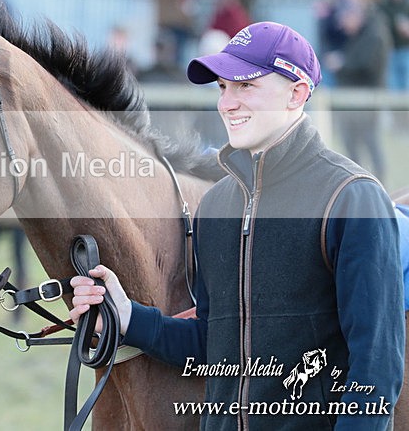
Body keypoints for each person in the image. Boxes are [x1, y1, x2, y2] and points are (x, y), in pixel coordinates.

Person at [69, 22, 404, 429]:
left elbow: (376, 371)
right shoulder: (216, 207)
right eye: (222, 88)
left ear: (296, 93)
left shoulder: (352, 199)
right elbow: (215, 345)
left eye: (246, 87)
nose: (227, 103)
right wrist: (127, 318)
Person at [325, 0, 392, 182]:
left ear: (355, 16)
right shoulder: (361, 34)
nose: (342, 25)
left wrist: (342, 64)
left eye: (344, 19)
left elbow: (367, 65)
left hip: (367, 100)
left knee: (370, 142)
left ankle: (378, 183)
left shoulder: (375, 33)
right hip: (353, 101)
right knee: (350, 143)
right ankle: (357, 182)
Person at [377, 0, 409, 92]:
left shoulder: (407, 5)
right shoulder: (382, 5)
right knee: (392, 84)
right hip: (389, 49)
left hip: (406, 49)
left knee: (406, 82)